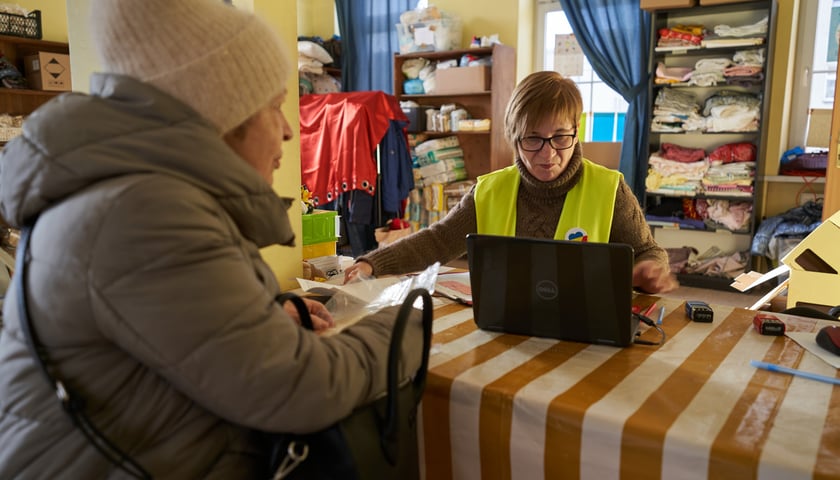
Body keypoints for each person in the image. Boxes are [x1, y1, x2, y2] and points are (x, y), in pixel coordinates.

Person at [0, 0, 424, 477]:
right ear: (223, 114)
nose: (288, 130)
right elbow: (300, 389)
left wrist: (258, 312)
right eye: (272, 106)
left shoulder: (136, 194)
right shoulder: (144, 213)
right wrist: (405, 326)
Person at [346, 71, 678, 294]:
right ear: (514, 138)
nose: (548, 154)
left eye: (560, 137)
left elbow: (648, 252)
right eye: (533, 139)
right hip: (505, 325)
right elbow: (437, 240)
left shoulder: (609, 189)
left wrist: (649, 270)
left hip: (584, 328)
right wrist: (372, 263)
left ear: (577, 131)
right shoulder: (489, 190)